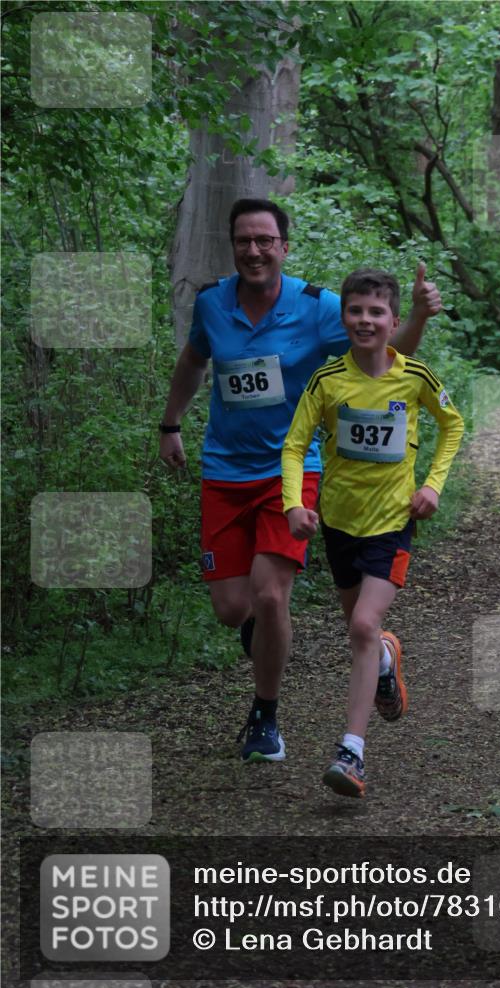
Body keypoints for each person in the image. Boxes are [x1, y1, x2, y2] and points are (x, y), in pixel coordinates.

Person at [159, 199, 442, 763]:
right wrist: (170, 424)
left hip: (290, 471)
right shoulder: (212, 303)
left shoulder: (318, 307)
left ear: (284, 247)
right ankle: (308, 642)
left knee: (270, 594)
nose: (254, 250)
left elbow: (386, 354)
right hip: (224, 471)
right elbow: (193, 361)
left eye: (265, 240)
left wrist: (417, 316)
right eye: (244, 241)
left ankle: (265, 717)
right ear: (232, 246)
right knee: (232, 608)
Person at [282, 268, 464, 797]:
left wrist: (433, 484)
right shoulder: (326, 380)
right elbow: (294, 445)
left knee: (363, 624)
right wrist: (294, 504)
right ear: (343, 318)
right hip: (339, 522)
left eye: (376, 312)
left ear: (394, 319)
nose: (365, 320)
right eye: (356, 311)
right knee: (361, 632)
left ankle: (352, 752)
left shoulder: (416, 376)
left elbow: (452, 424)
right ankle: (385, 659)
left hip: (392, 523)